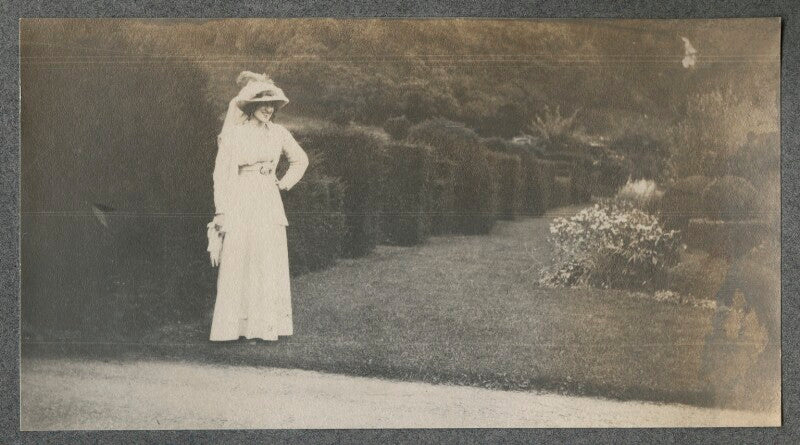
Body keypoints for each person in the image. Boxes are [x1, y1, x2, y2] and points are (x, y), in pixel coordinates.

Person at [207, 71, 309, 341]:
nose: (268, 108)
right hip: (241, 198)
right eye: (263, 102)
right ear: (251, 105)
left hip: (268, 198)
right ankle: (236, 328)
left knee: (266, 259)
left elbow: (300, 160)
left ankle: (265, 327)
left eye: (271, 104)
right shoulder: (234, 135)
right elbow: (221, 174)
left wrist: (283, 183)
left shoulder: (278, 133)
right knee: (240, 257)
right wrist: (221, 210)